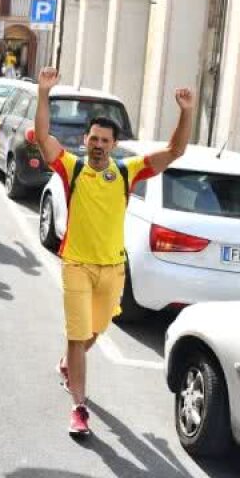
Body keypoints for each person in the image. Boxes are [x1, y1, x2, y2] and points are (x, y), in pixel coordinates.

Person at [34, 67, 194, 437]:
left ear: (113, 144)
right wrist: (43, 93)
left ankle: (68, 364)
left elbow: (175, 151)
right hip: (76, 265)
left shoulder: (126, 173)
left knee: (96, 329)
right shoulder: (72, 168)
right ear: (85, 139)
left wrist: (186, 112)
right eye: (93, 138)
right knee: (78, 335)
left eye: (105, 140)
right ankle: (79, 407)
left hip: (112, 269)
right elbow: (43, 137)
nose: (98, 144)